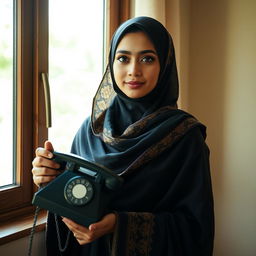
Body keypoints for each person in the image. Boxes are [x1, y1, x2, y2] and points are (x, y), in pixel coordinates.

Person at [32, 16, 214, 256]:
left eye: (147, 59)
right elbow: (74, 202)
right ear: (111, 63)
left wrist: (119, 225)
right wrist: (50, 182)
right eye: (123, 58)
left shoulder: (185, 137)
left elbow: (195, 230)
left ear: (165, 65)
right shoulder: (90, 130)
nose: (133, 71)